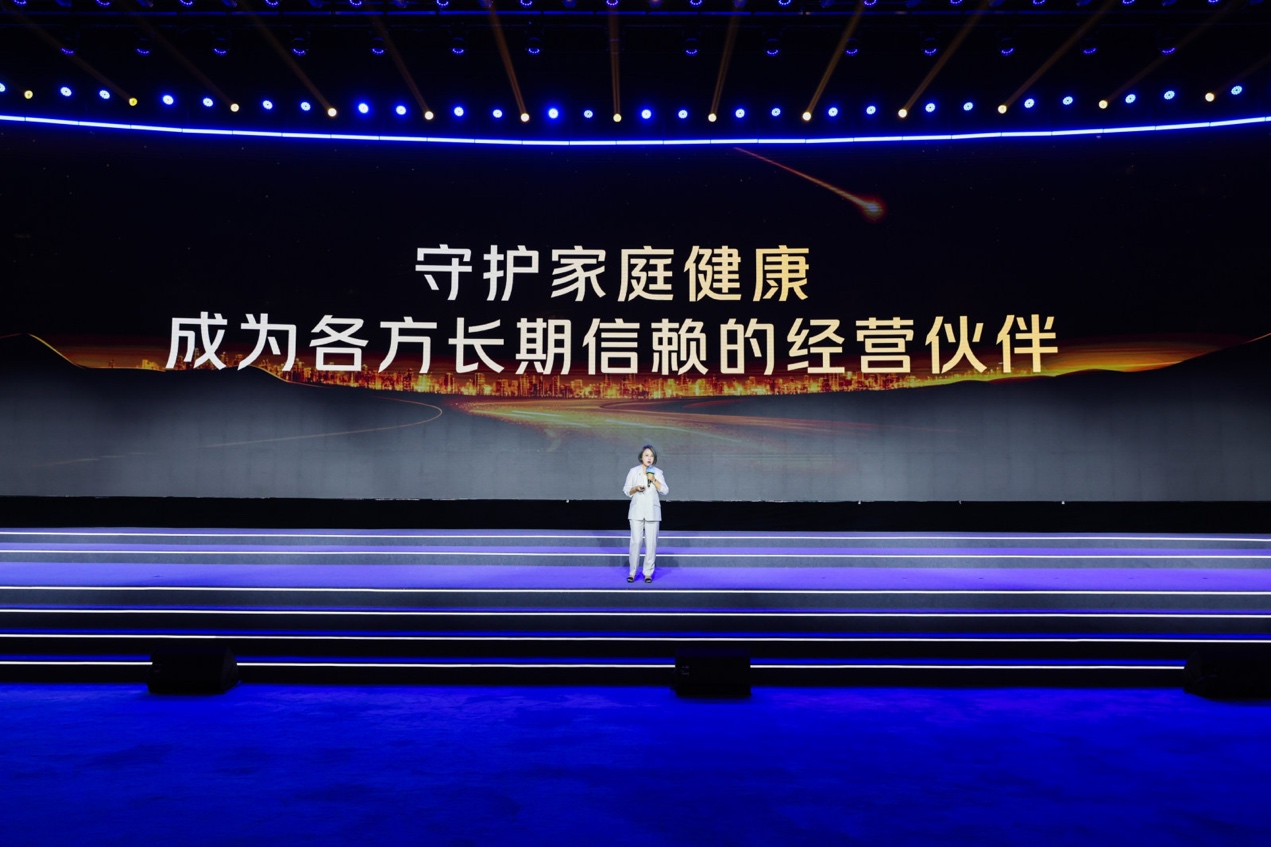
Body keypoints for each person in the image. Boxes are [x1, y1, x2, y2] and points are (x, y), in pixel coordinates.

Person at [623, 445, 668, 583]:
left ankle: (648, 573)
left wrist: (653, 479)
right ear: (641, 457)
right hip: (636, 511)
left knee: (651, 544)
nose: (649, 458)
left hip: (652, 512)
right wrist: (635, 488)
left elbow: (665, 490)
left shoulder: (657, 472)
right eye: (646, 455)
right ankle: (632, 572)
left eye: (651, 456)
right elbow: (626, 490)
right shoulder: (633, 471)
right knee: (636, 542)